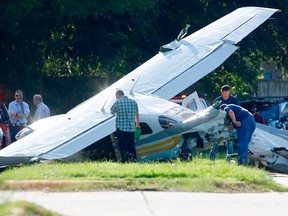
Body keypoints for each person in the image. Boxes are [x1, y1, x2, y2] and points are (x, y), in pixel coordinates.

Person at [210, 85, 240, 161]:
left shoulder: (234, 100)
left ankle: (229, 159)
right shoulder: (217, 101)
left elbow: (238, 110)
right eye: (224, 94)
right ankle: (212, 158)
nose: (226, 96)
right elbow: (213, 112)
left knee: (230, 142)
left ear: (229, 92)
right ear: (221, 92)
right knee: (216, 141)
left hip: (231, 123)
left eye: (227, 94)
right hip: (220, 123)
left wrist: (234, 123)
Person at [110, 90, 140, 162]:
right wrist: (137, 124)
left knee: (122, 144)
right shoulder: (133, 102)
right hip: (131, 128)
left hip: (121, 127)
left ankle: (124, 159)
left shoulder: (118, 102)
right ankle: (133, 159)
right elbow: (137, 114)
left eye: (116, 96)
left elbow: (112, 111)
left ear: (118, 95)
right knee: (131, 144)